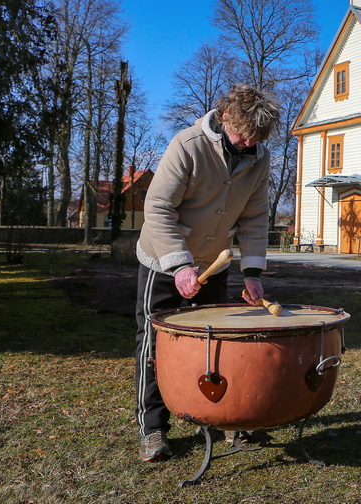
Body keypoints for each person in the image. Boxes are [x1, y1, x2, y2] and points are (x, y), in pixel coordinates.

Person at [134, 83, 280, 462]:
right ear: (226, 115)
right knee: (155, 348)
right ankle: (153, 431)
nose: (247, 145)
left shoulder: (258, 157)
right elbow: (159, 208)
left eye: (255, 140)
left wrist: (252, 271)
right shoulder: (187, 145)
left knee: (216, 348)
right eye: (242, 136)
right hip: (163, 262)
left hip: (213, 264)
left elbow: (254, 216)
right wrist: (180, 264)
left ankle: (223, 421)